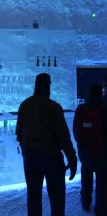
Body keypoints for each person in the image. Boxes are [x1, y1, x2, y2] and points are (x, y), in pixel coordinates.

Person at [16, 73, 77, 216]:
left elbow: (19, 133)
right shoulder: (54, 107)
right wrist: (72, 158)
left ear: (35, 85)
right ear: (48, 86)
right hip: (51, 158)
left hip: (30, 156)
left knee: (33, 194)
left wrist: (26, 149)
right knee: (57, 198)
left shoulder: (24, 104)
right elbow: (63, 138)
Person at [73, 84, 107, 215]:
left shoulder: (81, 109)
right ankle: (101, 209)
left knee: (86, 176)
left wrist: (82, 145)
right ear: (101, 93)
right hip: (102, 154)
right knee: (102, 182)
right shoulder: (104, 110)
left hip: (84, 153)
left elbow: (75, 131)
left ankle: (85, 202)